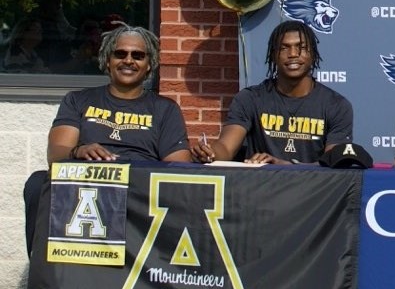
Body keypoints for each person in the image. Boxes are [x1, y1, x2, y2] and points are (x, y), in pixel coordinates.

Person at [23, 24, 192, 253]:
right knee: (37, 182)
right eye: (120, 54)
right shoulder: (78, 100)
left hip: (139, 191)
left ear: (149, 63)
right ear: (107, 59)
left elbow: (178, 167)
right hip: (86, 188)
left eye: (138, 55)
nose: (129, 60)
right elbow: (56, 154)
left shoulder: (165, 109)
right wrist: (78, 151)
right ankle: (43, 268)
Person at [192, 20, 353, 165]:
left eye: (301, 47)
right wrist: (211, 153)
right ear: (273, 55)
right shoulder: (250, 99)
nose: (293, 54)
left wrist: (285, 166)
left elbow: (333, 164)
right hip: (261, 190)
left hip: (313, 191)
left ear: (313, 54)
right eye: (284, 48)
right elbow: (226, 148)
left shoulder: (336, 105)